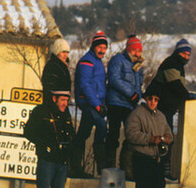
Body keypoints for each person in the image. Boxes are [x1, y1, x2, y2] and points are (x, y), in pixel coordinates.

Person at [143, 38, 196, 182]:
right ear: (178, 52)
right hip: (162, 107)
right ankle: (161, 172)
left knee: (166, 139)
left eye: (188, 55)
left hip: (166, 107)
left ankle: (161, 171)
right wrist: (187, 96)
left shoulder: (176, 64)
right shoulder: (172, 63)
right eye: (184, 54)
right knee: (165, 139)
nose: (186, 57)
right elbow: (175, 84)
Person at [22, 89, 76, 188]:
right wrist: (44, 145)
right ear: (54, 99)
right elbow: (28, 132)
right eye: (62, 100)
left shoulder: (66, 114)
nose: (65, 103)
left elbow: (70, 133)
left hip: (62, 160)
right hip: (47, 160)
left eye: (67, 100)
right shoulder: (41, 112)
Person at [125, 87, 174, 188]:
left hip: (157, 158)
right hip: (141, 157)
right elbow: (131, 134)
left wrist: (166, 139)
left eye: (156, 100)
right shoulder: (137, 114)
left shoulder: (161, 116)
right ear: (146, 99)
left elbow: (168, 132)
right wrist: (151, 139)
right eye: (151, 99)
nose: (153, 102)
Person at [71, 31, 109, 177]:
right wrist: (97, 105)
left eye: (104, 48)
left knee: (83, 133)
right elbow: (86, 85)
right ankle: (101, 165)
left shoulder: (98, 62)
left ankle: (75, 165)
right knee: (101, 125)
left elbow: (99, 86)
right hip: (88, 103)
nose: (102, 50)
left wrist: (101, 103)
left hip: (95, 103)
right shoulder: (87, 61)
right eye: (99, 47)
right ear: (93, 47)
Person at [104, 35, 145, 171]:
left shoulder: (138, 66)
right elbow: (114, 79)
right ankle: (109, 167)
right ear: (128, 49)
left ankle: (126, 168)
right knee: (113, 135)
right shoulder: (117, 60)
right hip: (116, 103)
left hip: (130, 105)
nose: (137, 53)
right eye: (134, 50)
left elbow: (139, 85)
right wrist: (131, 94)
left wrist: (138, 97)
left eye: (139, 51)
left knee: (132, 136)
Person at [40, 38, 71, 106]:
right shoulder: (52, 66)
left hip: (62, 104)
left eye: (67, 52)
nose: (65, 55)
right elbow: (49, 89)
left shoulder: (63, 66)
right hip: (54, 105)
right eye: (63, 52)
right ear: (57, 52)